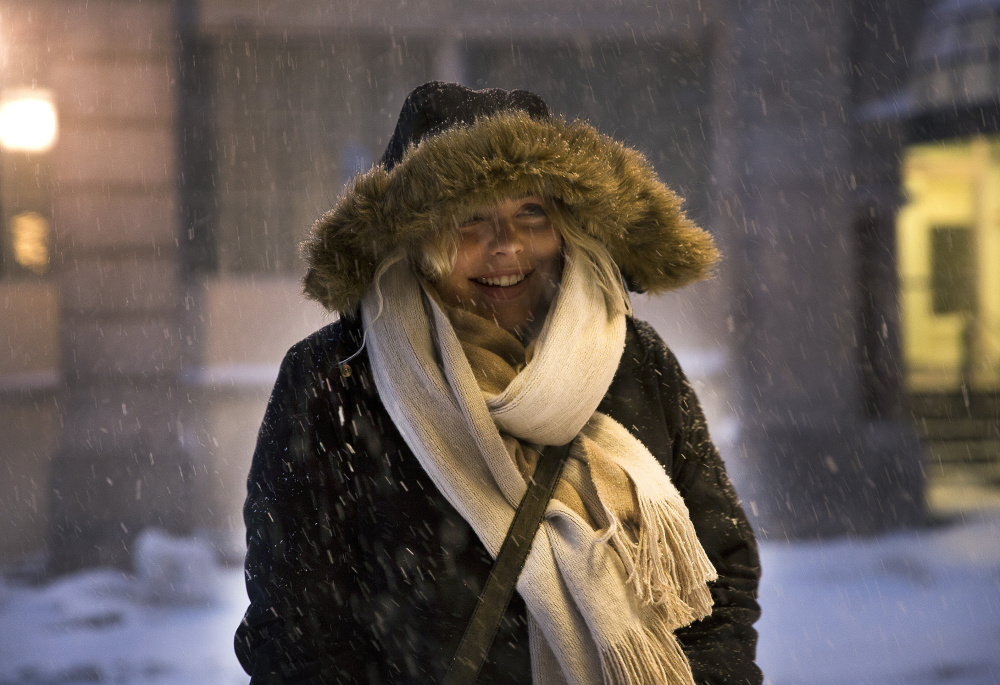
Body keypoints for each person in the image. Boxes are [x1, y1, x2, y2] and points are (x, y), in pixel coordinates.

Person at [235, 82, 762, 685]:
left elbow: (719, 572)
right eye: (467, 220)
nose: (505, 246)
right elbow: (297, 625)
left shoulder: (632, 360)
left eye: (530, 213)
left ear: (564, 227)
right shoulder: (337, 381)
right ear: (415, 240)